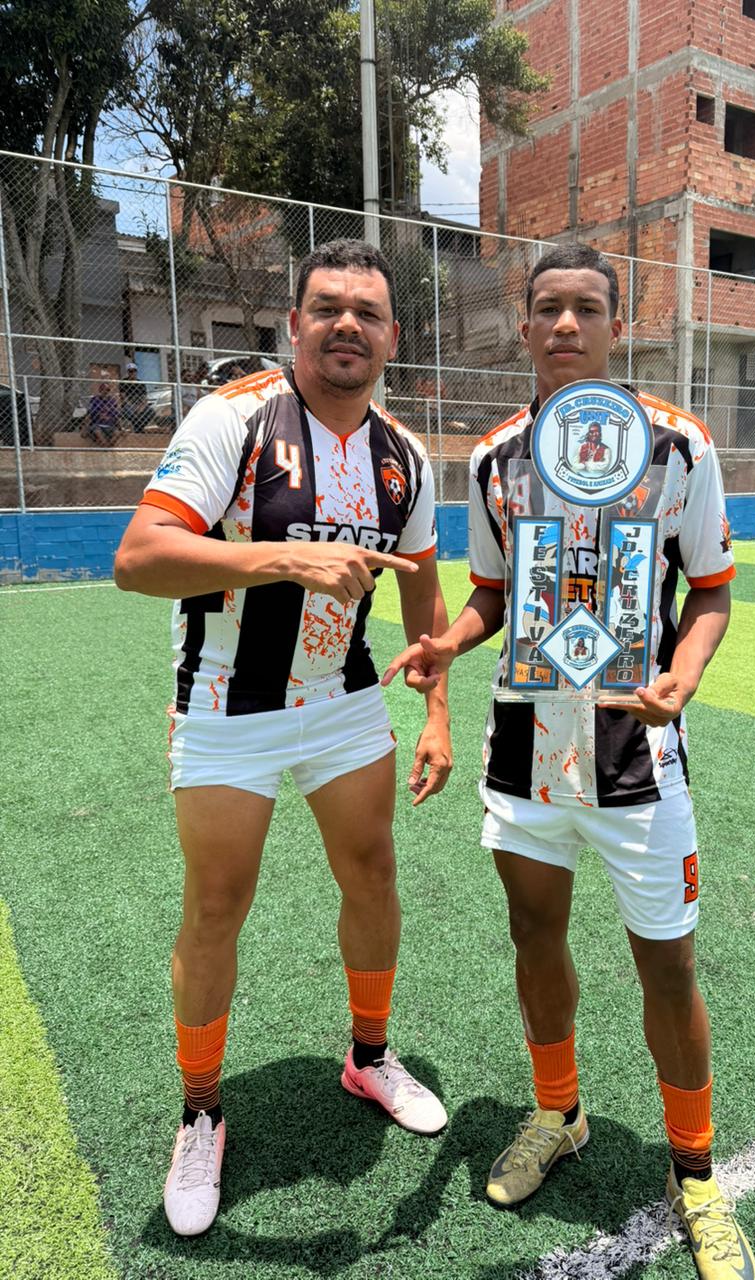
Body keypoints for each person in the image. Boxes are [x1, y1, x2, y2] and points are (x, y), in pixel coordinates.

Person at [383, 244, 754, 1280]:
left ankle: (695, 1173)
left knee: (667, 964)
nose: (564, 326)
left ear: (617, 325)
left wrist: (683, 676)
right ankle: (558, 1113)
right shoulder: (494, 457)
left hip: (640, 757)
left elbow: (712, 591)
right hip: (526, 757)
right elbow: (492, 594)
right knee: (534, 935)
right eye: (547, 308)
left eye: (586, 309)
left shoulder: (679, 447)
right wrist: (450, 643)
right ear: (524, 324)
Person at [114, 240, 453, 1238]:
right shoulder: (234, 417)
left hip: (343, 700)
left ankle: (369, 1055)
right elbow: (139, 557)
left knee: (373, 874)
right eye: (328, 307)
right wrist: (282, 558)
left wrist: (436, 708)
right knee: (217, 904)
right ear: (296, 324)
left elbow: (422, 584)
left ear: (392, 335)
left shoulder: (406, 455)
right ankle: (201, 1111)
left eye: (368, 311)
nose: (348, 324)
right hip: (229, 704)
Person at [120, 363, 152, 433]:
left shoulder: (141, 383)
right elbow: (123, 397)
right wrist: (133, 407)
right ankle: (139, 428)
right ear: (128, 372)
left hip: (139, 404)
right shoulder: (123, 382)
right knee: (128, 410)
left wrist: (141, 407)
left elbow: (144, 398)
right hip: (129, 404)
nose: (132, 373)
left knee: (151, 411)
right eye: (130, 371)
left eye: (134, 371)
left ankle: (138, 428)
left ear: (136, 371)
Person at [85, 380, 120, 445]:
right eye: (103, 389)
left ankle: (109, 444)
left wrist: (109, 417)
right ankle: (104, 444)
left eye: (108, 390)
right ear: (100, 390)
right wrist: (99, 414)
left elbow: (115, 414)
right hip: (97, 424)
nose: (106, 391)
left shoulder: (112, 401)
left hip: (109, 424)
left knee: (117, 433)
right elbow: (91, 412)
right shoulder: (95, 399)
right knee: (97, 431)